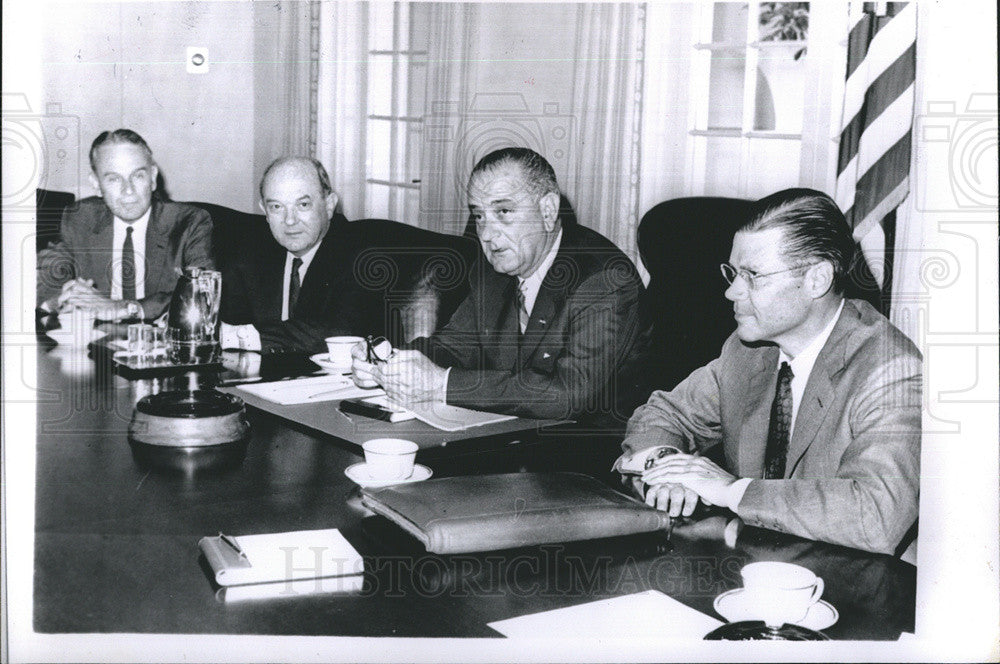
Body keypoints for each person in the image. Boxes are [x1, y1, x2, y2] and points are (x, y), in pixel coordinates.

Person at [619, 188, 921, 555]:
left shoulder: (891, 371)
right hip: (752, 564)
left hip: (856, 584)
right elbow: (664, 413)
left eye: (753, 275)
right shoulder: (748, 351)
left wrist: (732, 490)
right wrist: (667, 469)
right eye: (733, 272)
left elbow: (877, 514)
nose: (731, 292)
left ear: (817, 279)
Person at [354, 146, 646, 423]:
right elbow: (456, 346)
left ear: (548, 210)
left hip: (590, 447)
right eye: (479, 216)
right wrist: (389, 361)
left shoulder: (606, 282)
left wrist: (441, 383)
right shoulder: (497, 266)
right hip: (511, 430)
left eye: (503, 212)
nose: (487, 234)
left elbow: (567, 394)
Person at [37, 129, 213, 321]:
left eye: (138, 176)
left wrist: (125, 308)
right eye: (113, 179)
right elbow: (49, 272)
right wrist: (60, 299)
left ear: (153, 177)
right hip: (99, 343)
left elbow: (203, 295)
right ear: (96, 183)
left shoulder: (190, 223)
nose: (128, 190)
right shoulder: (80, 218)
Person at [219, 156, 382, 354]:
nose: (289, 220)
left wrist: (236, 337)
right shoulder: (252, 252)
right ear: (265, 211)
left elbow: (340, 333)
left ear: (329, 205)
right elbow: (223, 317)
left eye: (303, 205)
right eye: (277, 207)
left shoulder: (362, 255)